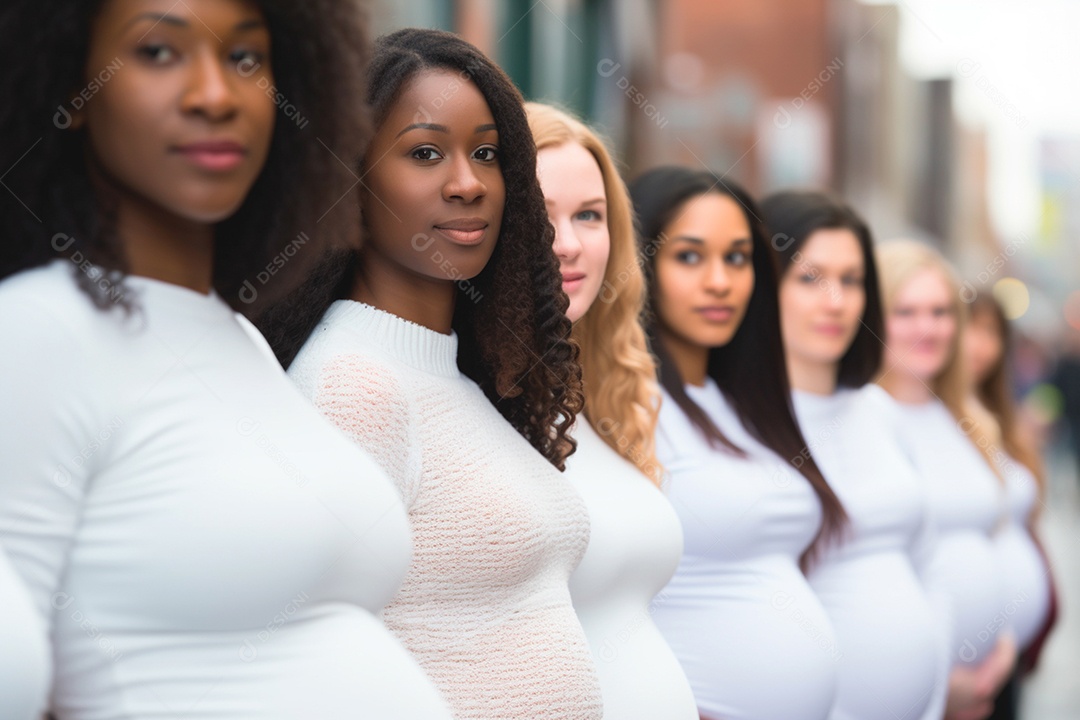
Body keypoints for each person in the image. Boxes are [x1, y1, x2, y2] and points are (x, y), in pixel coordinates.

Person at [0, 2, 452, 717]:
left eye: (246, 59)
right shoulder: (35, 331)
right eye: (156, 53)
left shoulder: (234, 337)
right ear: (70, 88)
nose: (215, 95)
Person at [271, 29, 603, 720]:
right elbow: (311, 661)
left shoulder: (459, 380)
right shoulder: (355, 385)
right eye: (425, 153)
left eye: (486, 153)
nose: (468, 183)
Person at [631, 167, 845, 720]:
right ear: (639, 263)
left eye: (737, 257)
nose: (720, 282)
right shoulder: (628, 407)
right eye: (689, 256)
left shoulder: (749, 406)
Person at [527, 102, 698, 720]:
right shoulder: (468, 399)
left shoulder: (611, 398)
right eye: (540, 216)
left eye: (589, 216)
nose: (568, 245)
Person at [762, 190, 947, 720]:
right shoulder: (743, 427)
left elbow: (928, 566)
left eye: (852, 279)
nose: (836, 301)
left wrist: (930, 701)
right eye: (811, 277)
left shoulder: (879, 411)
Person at [875, 240, 1016, 720]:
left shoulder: (968, 419)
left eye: (940, 312)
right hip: (911, 695)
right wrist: (938, 685)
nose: (927, 328)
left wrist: (1005, 641)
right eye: (906, 311)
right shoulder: (861, 422)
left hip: (991, 678)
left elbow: (995, 543)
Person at [964, 292, 1057, 719]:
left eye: (992, 332)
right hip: (969, 655)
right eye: (971, 328)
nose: (980, 345)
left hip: (1010, 652)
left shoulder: (1006, 419)